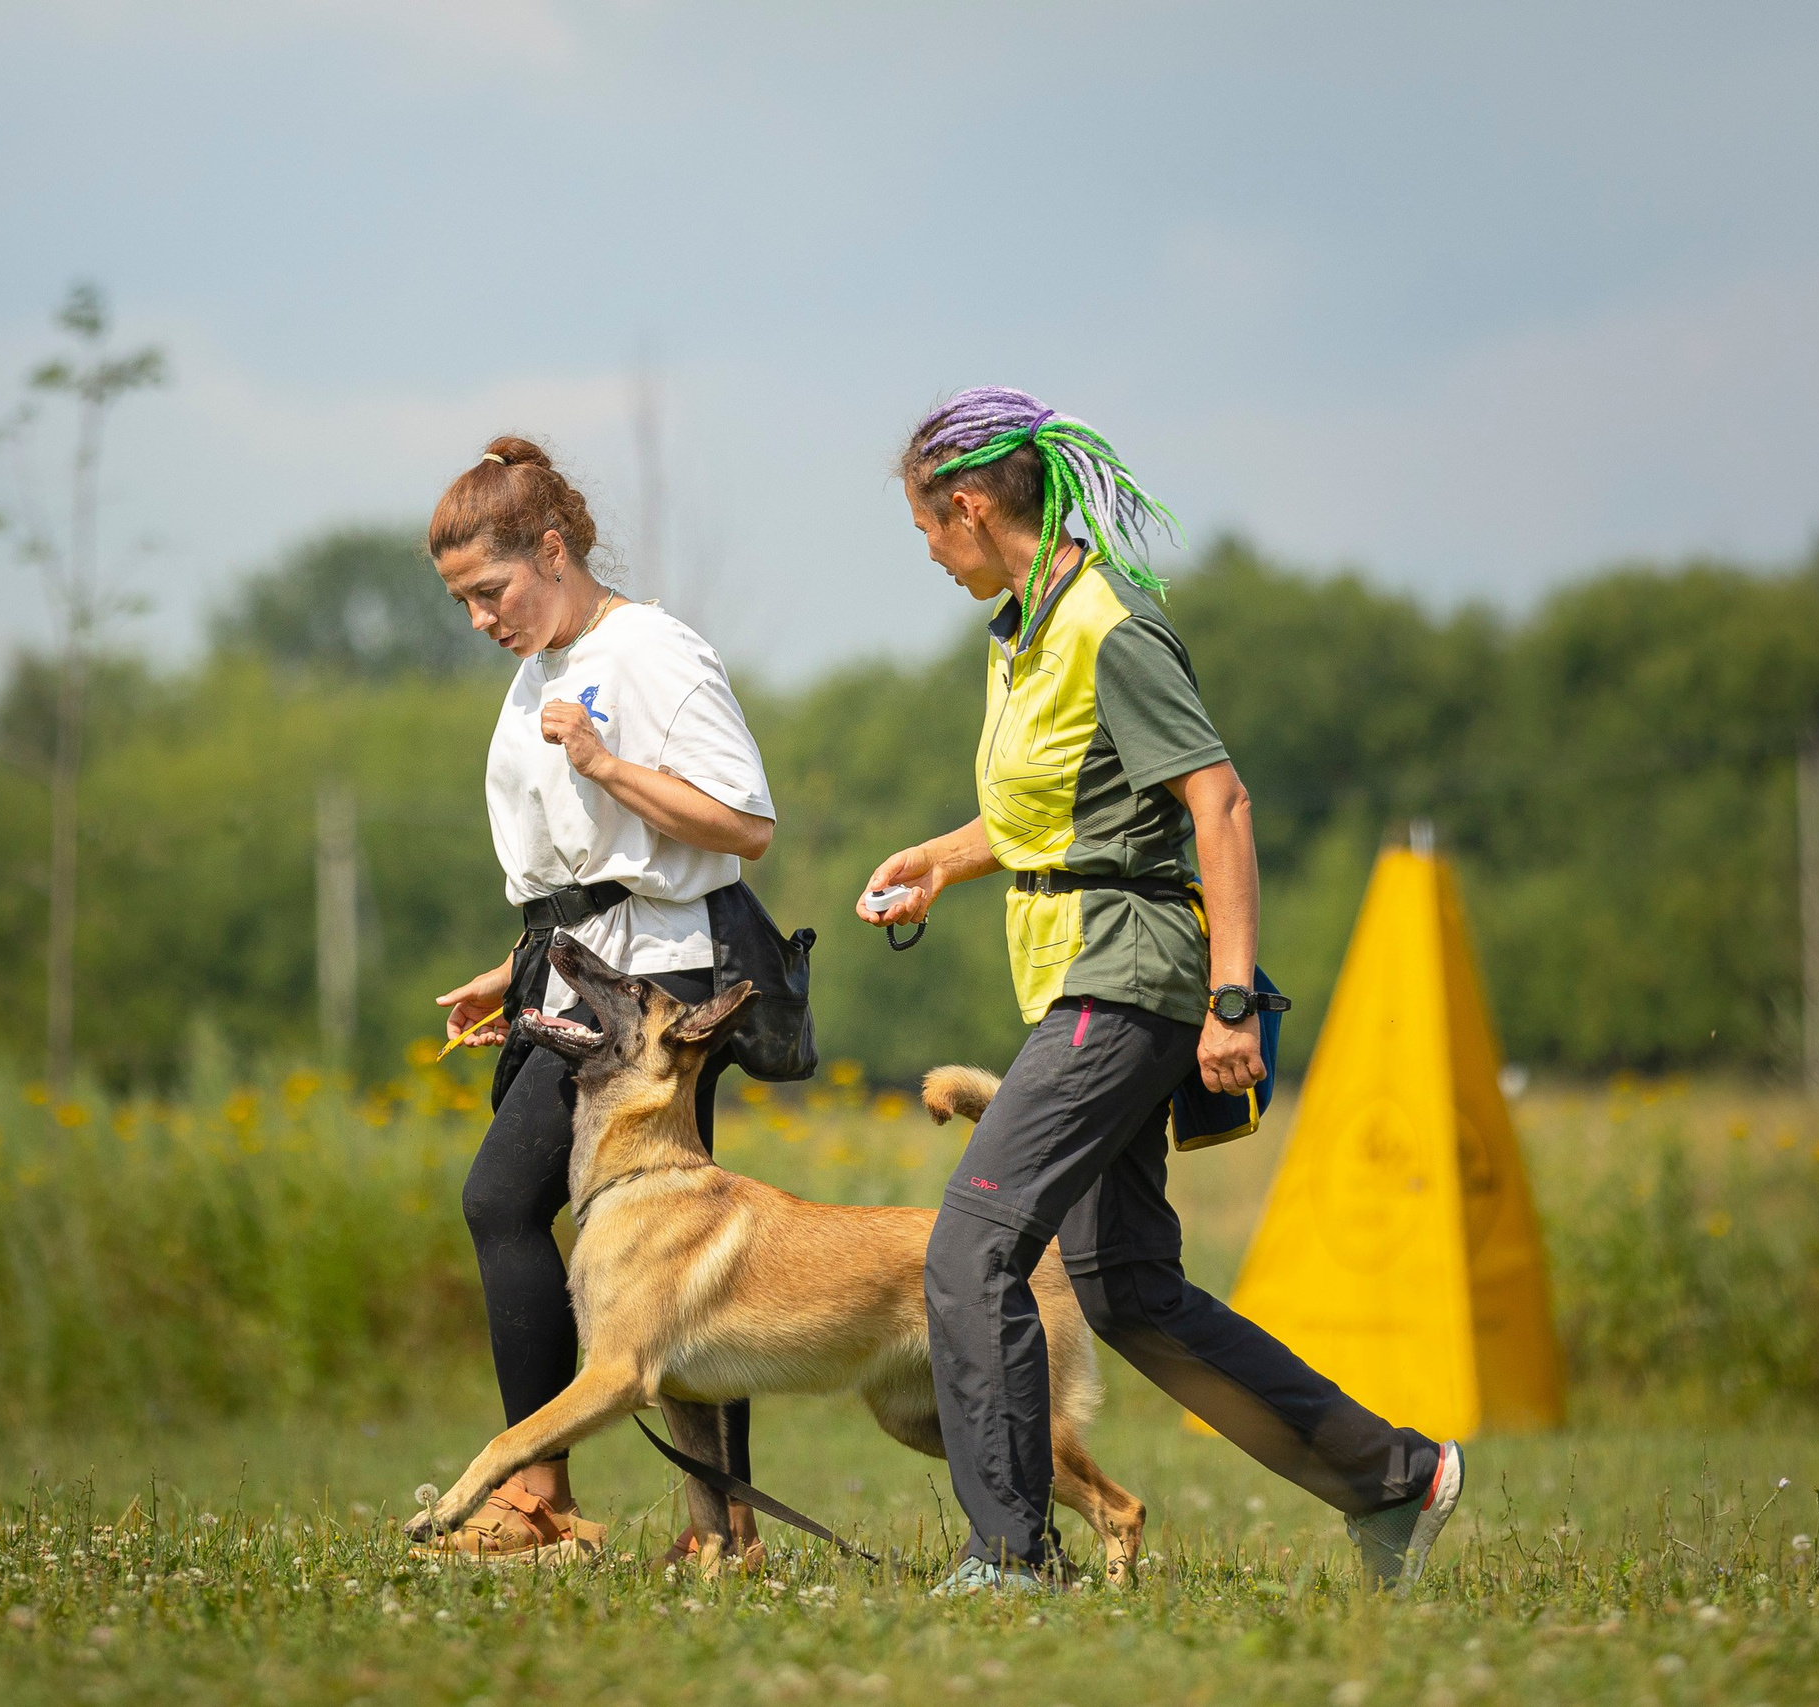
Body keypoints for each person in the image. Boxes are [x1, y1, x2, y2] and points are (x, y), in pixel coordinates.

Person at [860, 388, 1464, 1593]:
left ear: (969, 507)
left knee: (973, 1243)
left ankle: (1011, 1557)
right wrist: (943, 858)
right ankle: (1391, 1478)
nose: (926, 551)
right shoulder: (1025, 632)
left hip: (1128, 976)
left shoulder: (1109, 627)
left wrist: (1231, 1001)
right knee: (1127, 1291)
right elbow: (1061, 809)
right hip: (1080, 974)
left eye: (925, 527)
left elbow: (1217, 801)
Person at [427, 436, 779, 1565]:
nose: (483, 618)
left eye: (493, 590)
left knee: (500, 1202)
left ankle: (536, 1501)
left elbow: (743, 827)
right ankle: (720, 1529)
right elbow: (582, 868)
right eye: (463, 603)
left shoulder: (651, 648)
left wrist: (605, 763)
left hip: (659, 985)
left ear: (552, 547)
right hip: (580, 966)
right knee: (658, 1252)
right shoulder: (539, 667)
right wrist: (515, 961)